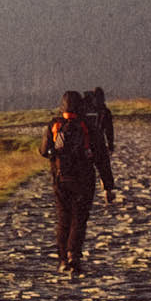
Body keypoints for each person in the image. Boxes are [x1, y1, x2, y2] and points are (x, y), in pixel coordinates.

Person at [40, 89, 100, 276]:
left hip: (60, 179)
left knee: (63, 219)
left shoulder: (54, 125)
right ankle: (74, 255)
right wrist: (109, 185)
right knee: (79, 219)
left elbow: (43, 151)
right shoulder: (88, 126)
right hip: (84, 180)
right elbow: (101, 157)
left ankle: (62, 259)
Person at [84, 86, 118, 203]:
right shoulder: (104, 110)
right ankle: (108, 191)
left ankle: (85, 194)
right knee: (104, 168)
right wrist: (111, 145)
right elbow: (109, 130)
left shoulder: (83, 108)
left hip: (85, 143)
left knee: (86, 170)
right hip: (99, 143)